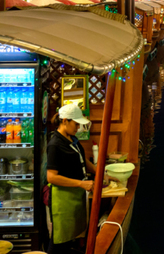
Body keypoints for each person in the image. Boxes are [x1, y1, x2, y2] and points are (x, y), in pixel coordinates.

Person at [46, 104, 97, 253]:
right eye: (76, 124)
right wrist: (81, 183)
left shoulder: (72, 139)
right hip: (62, 200)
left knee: (68, 241)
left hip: (74, 196)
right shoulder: (55, 144)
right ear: (65, 121)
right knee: (59, 242)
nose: (78, 128)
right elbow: (51, 177)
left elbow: (82, 159)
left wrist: (100, 172)